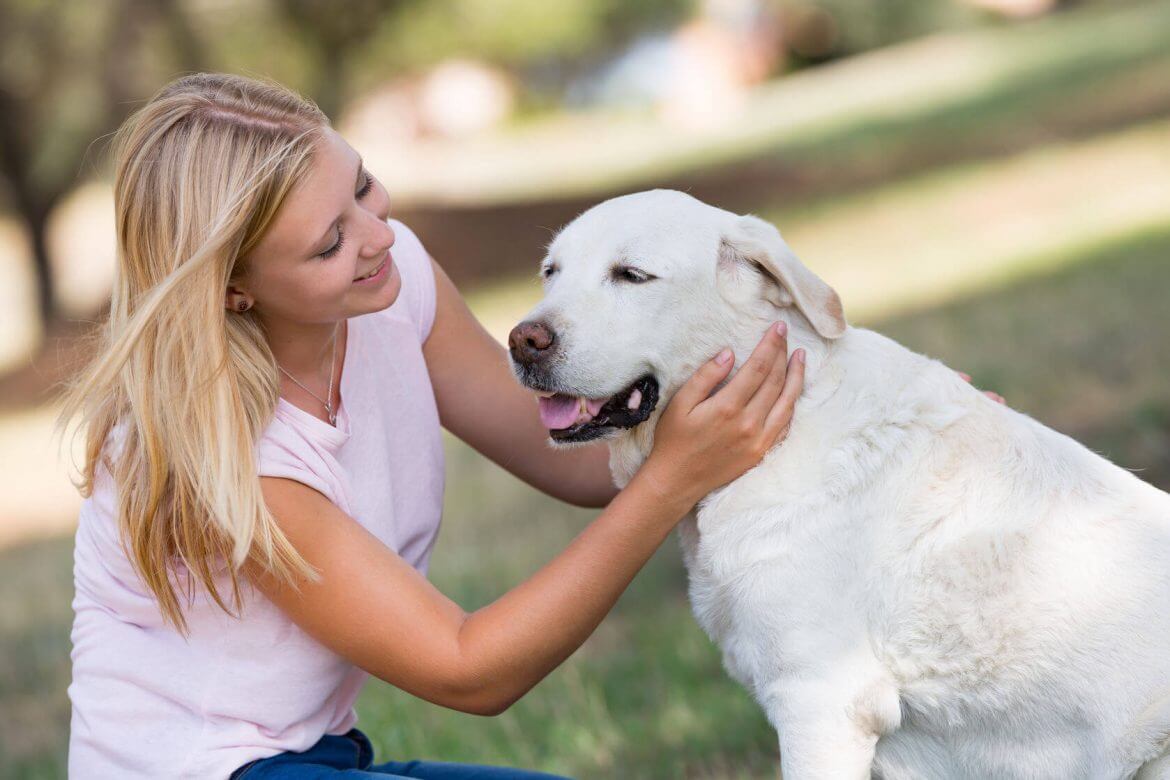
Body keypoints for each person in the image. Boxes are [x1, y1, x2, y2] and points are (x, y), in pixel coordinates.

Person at [54, 73, 809, 779]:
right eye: (328, 244)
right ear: (234, 291)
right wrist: (673, 480)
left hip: (318, 755)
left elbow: (571, 461)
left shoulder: (390, 284)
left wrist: (727, 395)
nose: (376, 236)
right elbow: (467, 668)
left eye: (360, 187)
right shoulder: (228, 456)